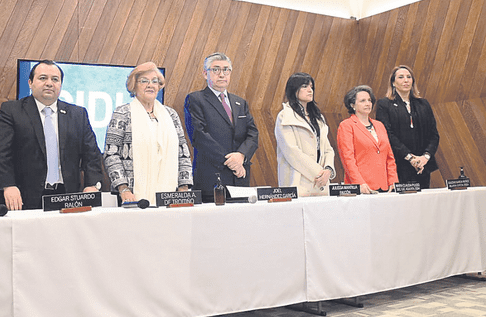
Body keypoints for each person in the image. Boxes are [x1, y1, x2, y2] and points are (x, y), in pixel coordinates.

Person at [0, 60, 103, 211]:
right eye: (43, 78)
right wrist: (8, 185)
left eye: (55, 79)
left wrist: (92, 185)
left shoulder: (77, 114)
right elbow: (0, 152)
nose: (49, 83)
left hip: (66, 196)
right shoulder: (12, 111)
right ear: (30, 83)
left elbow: (92, 154)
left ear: (60, 85)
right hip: (22, 198)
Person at [104, 62, 193, 206]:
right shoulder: (122, 113)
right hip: (132, 196)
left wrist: (184, 188)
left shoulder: (171, 115)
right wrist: (123, 188)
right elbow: (111, 154)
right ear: (134, 85)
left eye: (154, 81)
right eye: (144, 81)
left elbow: (183, 153)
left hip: (169, 197)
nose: (150, 85)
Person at [184, 53, 258, 202]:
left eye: (226, 70)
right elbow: (199, 136)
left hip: (240, 177)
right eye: (216, 70)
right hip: (212, 178)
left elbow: (253, 134)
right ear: (205, 73)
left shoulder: (240, 102)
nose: (222, 74)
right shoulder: (196, 99)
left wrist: (241, 156)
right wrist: (231, 162)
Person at [375, 65, 440, 188]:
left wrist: (425, 157)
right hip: (399, 165)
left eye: (409, 77)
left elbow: (434, 135)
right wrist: (410, 158)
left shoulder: (423, 104)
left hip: (422, 165)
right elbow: (387, 134)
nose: (406, 80)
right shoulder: (384, 104)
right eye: (401, 77)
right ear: (393, 83)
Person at [275, 72, 335, 196]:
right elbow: (292, 152)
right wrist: (319, 173)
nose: (310, 90)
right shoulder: (285, 116)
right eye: (305, 86)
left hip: (321, 184)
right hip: (298, 181)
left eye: (311, 87)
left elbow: (327, 148)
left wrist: (328, 170)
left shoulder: (318, 118)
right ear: (294, 89)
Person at [337, 85, 398, 193]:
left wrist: (393, 181)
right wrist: (359, 183)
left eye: (369, 100)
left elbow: (389, 157)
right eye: (362, 101)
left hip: (385, 187)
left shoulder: (379, 125)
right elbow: (348, 159)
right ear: (352, 105)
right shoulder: (346, 125)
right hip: (362, 187)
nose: (367, 103)